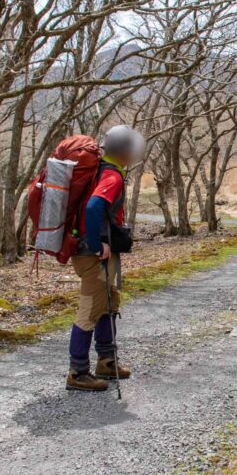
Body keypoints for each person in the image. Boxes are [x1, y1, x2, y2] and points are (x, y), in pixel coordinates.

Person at [65, 125, 145, 392]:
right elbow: (94, 206)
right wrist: (98, 242)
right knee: (91, 308)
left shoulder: (104, 170)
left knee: (110, 300)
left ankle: (106, 361)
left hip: (97, 252)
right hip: (93, 254)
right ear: (124, 152)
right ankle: (77, 372)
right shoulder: (111, 177)